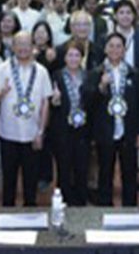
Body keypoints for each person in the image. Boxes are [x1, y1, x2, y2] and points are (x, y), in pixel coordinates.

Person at [0, 31, 52, 206]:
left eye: (27, 44)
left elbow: (45, 103)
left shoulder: (41, 71)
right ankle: (7, 218)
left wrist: (41, 132)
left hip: (32, 134)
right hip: (8, 133)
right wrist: (1, 93)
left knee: (30, 183)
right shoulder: (2, 68)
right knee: (8, 182)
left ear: (33, 46)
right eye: (19, 44)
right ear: (13, 47)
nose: (23, 48)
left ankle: (30, 219)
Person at [87, 31, 139, 206]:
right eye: (111, 46)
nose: (114, 49)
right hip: (105, 132)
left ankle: (130, 210)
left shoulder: (134, 73)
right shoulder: (96, 73)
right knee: (105, 173)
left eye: (119, 46)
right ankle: (105, 208)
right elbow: (88, 102)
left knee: (129, 173)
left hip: (129, 131)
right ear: (105, 49)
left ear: (124, 49)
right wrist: (101, 87)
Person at [48, 41, 92, 207]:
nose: (73, 59)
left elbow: (92, 102)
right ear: (64, 57)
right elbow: (50, 104)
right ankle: (63, 202)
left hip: (83, 130)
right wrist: (55, 101)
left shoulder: (88, 76)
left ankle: (80, 203)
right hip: (62, 130)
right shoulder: (56, 76)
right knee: (63, 168)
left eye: (77, 55)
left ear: (82, 57)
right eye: (70, 55)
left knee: (82, 168)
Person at [110, 0, 139, 70]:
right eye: (121, 13)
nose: (125, 16)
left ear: (134, 15)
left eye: (128, 13)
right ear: (115, 16)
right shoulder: (106, 38)